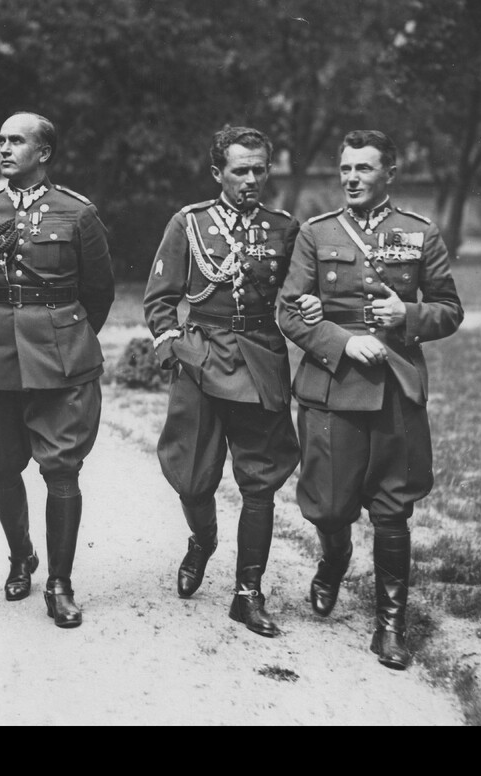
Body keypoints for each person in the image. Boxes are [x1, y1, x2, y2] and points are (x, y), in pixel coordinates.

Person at [278, 129, 463, 669]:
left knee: (392, 508)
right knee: (330, 505)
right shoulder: (316, 234)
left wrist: (408, 316)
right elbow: (289, 310)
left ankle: (389, 624)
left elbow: (449, 309)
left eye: (364, 168)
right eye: (346, 169)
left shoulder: (419, 234)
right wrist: (341, 339)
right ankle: (334, 558)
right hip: (333, 387)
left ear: (389, 174)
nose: (352, 178)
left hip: (394, 390)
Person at [143, 125, 321, 637]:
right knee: (193, 474)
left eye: (258, 170)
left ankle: (248, 591)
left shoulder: (285, 229)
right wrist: (167, 343)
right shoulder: (189, 223)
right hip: (201, 357)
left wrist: (312, 304)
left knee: (259, 479)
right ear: (218, 172)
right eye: (239, 170)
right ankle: (203, 540)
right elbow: (160, 297)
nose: (250, 179)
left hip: (260, 358)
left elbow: (296, 295)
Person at [0, 111, 115, 628]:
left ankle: (60, 583)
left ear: (43, 153)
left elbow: (99, 292)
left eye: (17, 141)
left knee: (62, 468)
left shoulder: (77, 213)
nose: (4, 148)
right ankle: (21, 556)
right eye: (0, 139)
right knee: (2, 466)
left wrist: (65, 334)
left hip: (62, 354)